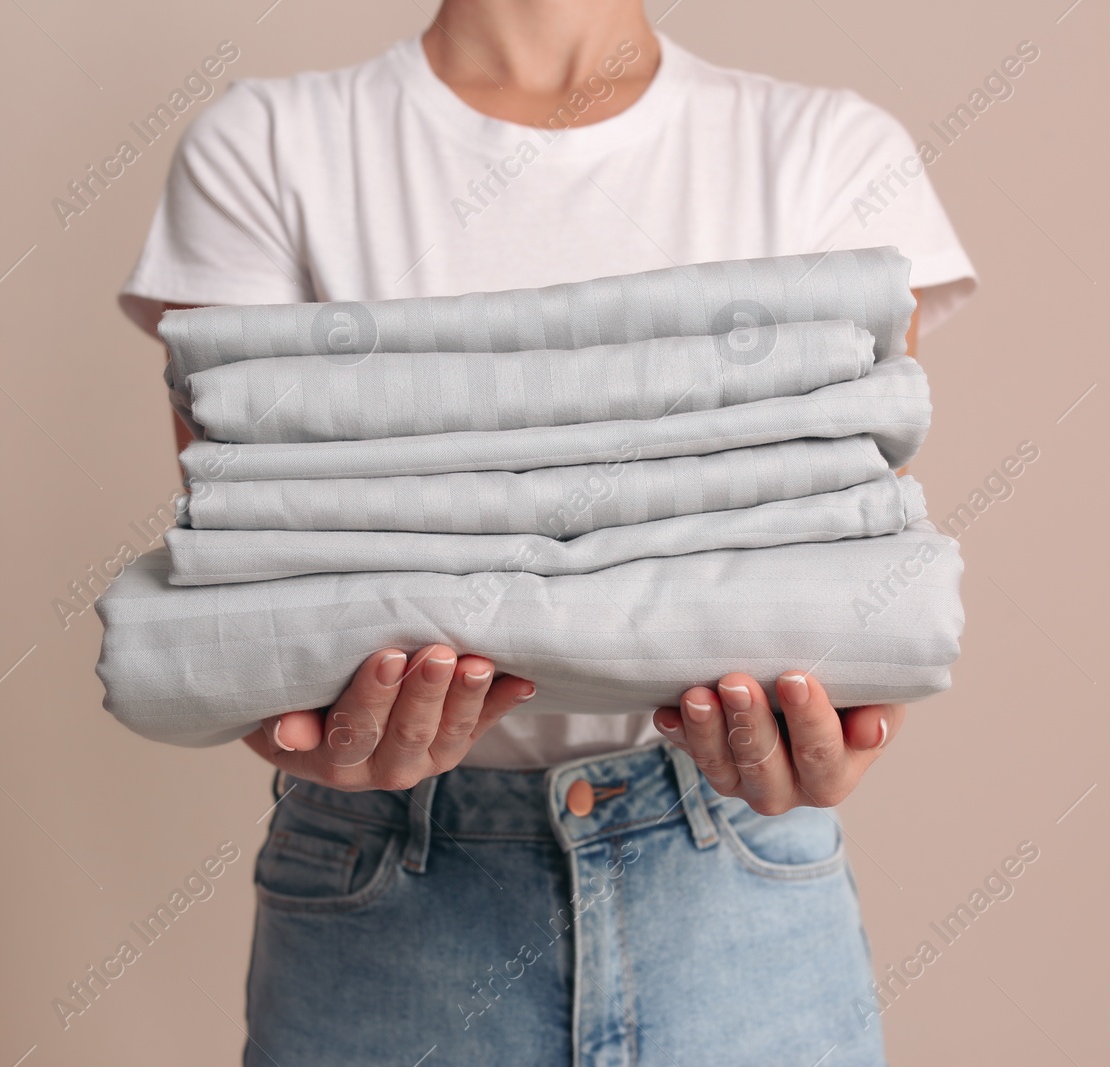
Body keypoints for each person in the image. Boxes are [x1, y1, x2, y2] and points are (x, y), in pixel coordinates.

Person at [118, 1, 975, 1062]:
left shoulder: (824, 149)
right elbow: (256, 589)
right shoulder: (267, 145)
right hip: (383, 898)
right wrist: (293, 723)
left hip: (736, 894)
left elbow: (850, 573)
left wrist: (828, 741)